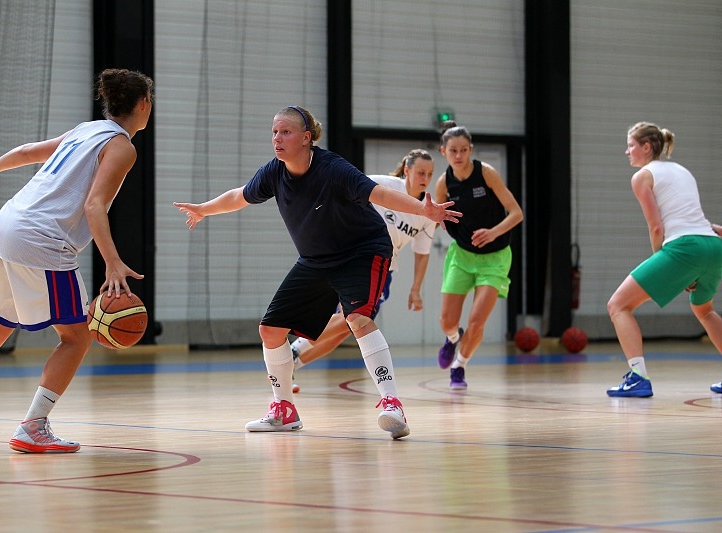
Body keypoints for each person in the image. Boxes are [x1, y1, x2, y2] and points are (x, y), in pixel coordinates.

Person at [174, 106, 460, 439]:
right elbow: (240, 195)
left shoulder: (333, 168)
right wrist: (204, 209)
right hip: (315, 259)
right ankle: (284, 409)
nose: (277, 138)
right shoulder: (273, 172)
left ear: (306, 137)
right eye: (274, 132)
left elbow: (379, 194)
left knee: (358, 319)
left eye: (285, 132)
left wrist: (423, 208)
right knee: (270, 330)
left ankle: (392, 403)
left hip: (361, 251)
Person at [0, 68, 154, 452]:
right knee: (77, 337)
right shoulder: (121, 147)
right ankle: (33, 427)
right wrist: (113, 261)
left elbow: (28, 151)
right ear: (144, 104)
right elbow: (94, 205)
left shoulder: (86, 130)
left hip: (5, 227)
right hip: (40, 241)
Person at [290, 149, 437, 392]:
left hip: (383, 268)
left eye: (430, 174)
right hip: (352, 256)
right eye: (421, 172)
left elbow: (422, 253)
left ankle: (290, 364)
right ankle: (293, 351)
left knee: (347, 327)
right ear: (407, 170)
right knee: (351, 320)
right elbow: (345, 187)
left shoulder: (427, 210)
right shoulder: (384, 185)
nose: (425, 178)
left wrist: (415, 289)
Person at [606, 122, 722, 397]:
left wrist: (666, 268)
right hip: (713, 246)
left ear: (646, 147)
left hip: (684, 248)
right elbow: (696, 219)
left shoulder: (642, 177)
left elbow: (656, 227)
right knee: (704, 311)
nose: (627, 151)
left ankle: (638, 378)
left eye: (631, 145)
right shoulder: (682, 170)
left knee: (618, 305)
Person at [435, 123, 523, 389]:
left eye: (463, 150)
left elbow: (516, 214)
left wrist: (493, 233)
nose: (459, 155)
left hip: (495, 257)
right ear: (443, 151)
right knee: (447, 322)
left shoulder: (486, 173)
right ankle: (453, 338)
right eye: (453, 150)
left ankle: (459, 367)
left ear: (470, 149)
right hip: (462, 256)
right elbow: (438, 218)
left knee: (477, 321)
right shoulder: (443, 183)